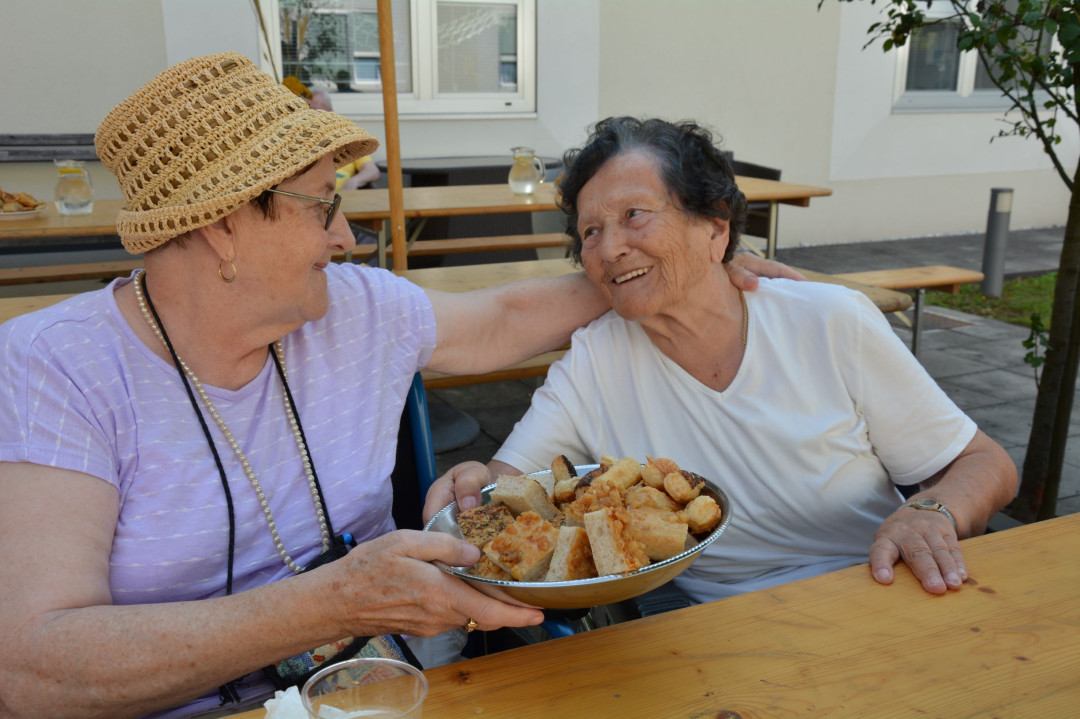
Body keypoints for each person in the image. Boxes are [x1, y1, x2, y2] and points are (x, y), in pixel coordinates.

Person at [0, 58, 790, 719]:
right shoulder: (56, 368)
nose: (346, 236)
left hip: (404, 690)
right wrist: (332, 602)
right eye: (324, 206)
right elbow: (31, 667)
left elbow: (507, 316)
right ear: (223, 226)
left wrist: (672, 265)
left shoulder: (351, 308)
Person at [427, 117, 1017, 604]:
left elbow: (984, 462)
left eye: (635, 215)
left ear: (715, 227)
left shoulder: (829, 321)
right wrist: (476, 486)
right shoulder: (595, 359)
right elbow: (512, 485)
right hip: (717, 630)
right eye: (590, 232)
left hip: (873, 588)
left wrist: (934, 511)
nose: (608, 247)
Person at [284, 75, 381, 190]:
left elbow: (372, 171)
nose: (310, 116)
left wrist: (355, 181)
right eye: (306, 111)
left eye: (315, 110)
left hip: (342, 199)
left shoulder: (346, 138)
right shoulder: (296, 141)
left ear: (330, 111)